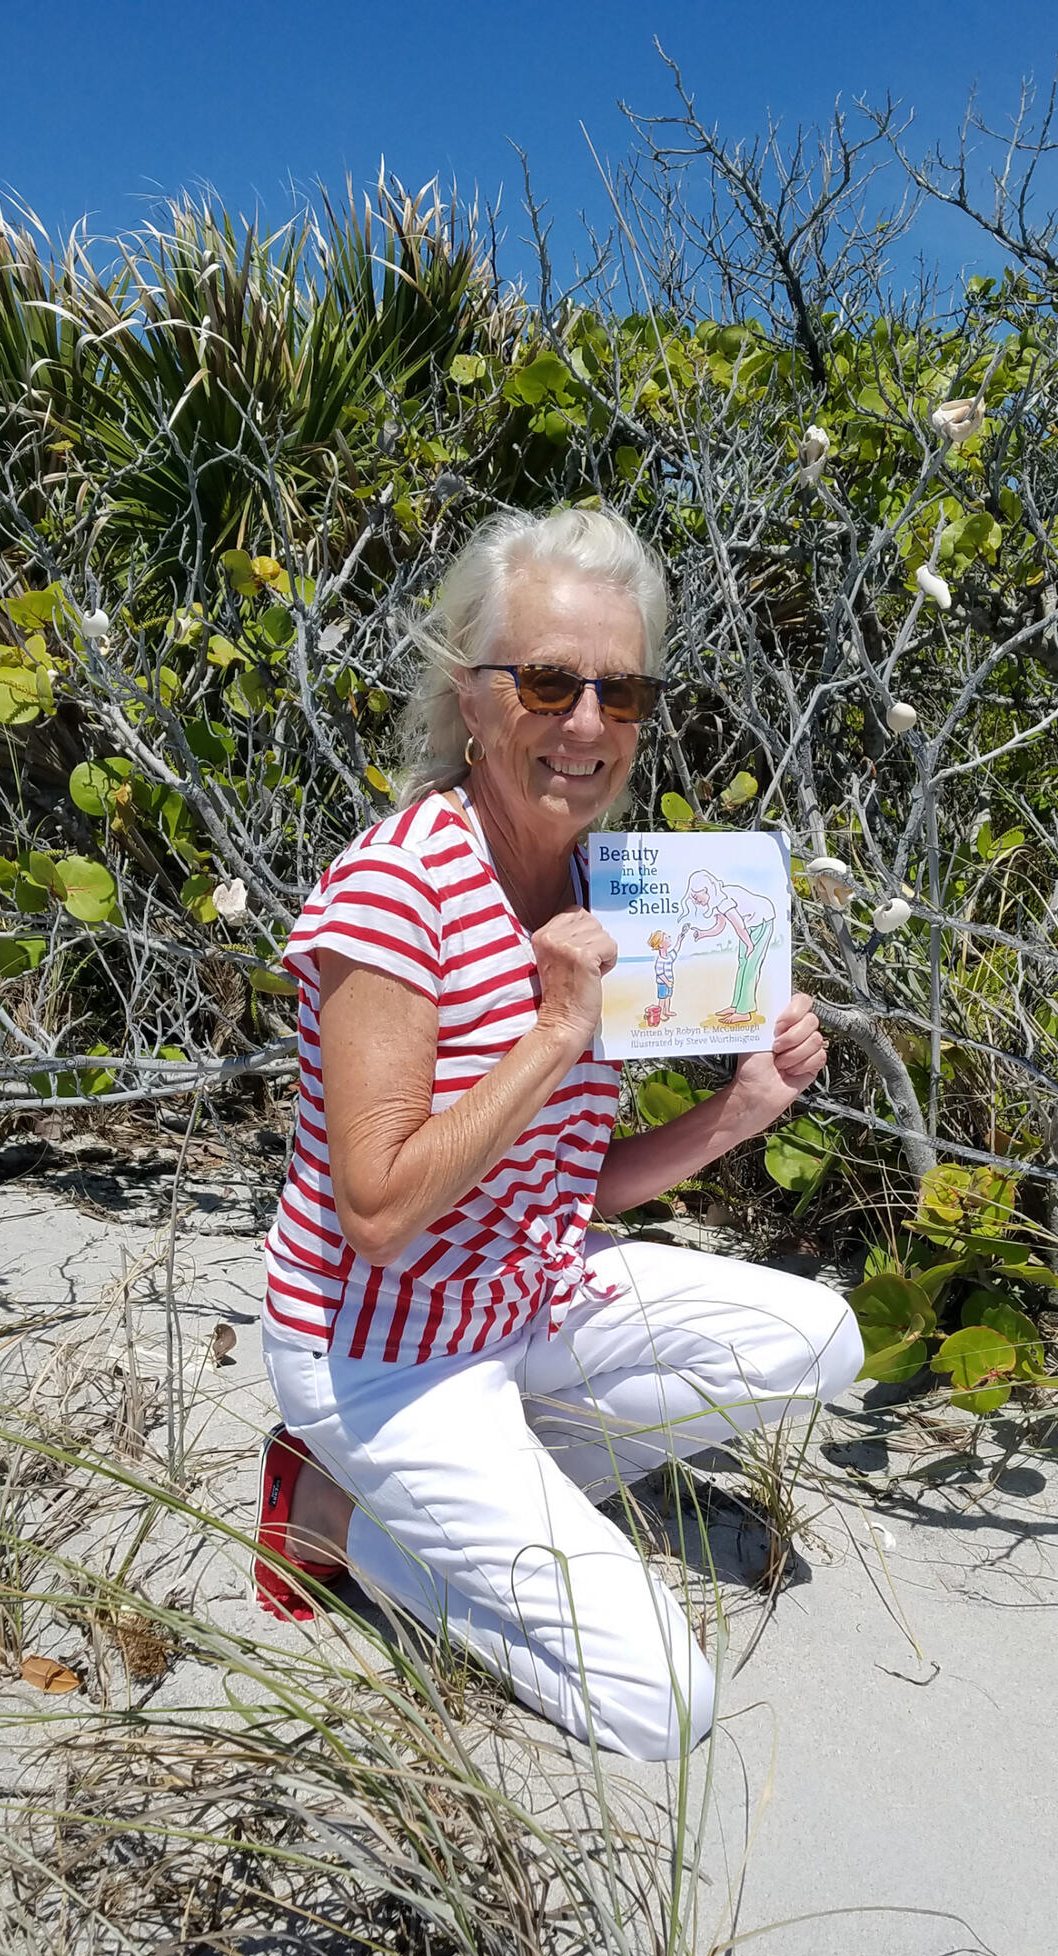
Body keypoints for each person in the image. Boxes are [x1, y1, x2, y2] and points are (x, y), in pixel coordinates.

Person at [255, 506, 863, 1761]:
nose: (587, 722)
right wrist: (549, 1031)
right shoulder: (394, 890)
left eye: (621, 689)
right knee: (665, 1705)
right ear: (471, 698)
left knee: (827, 1338)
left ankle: (485, 1485)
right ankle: (331, 1511)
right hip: (384, 1351)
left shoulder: (607, 888)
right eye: (546, 679)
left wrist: (739, 1110)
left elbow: (562, 1187)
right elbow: (375, 1209)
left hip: (524, 1305)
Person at [676, 871, 776, 1023]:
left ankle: (744, 1011)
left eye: (696, 897)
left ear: (705, 890)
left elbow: (739, 925)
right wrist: (703, 933)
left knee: (750, 967)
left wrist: (749, 945)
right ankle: (737, 1005)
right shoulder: (716, 901)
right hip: (750, 926)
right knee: (743, 964)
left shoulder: (722, 900)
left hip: (762, 920)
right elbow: (719, 927)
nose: (696, 901)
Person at [647, 927, 676, 1020]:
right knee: (662, 999)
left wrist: (680, 939)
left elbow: (676, 950)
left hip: (669, 981)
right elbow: (660, 973)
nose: (669, 937)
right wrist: (667, 982)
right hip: (663, 983)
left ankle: (667, 1011)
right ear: (660, 945)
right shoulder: (660, 960)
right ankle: (660, 1014)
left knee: (668, 997)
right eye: (666, 938)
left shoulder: (669, 956)